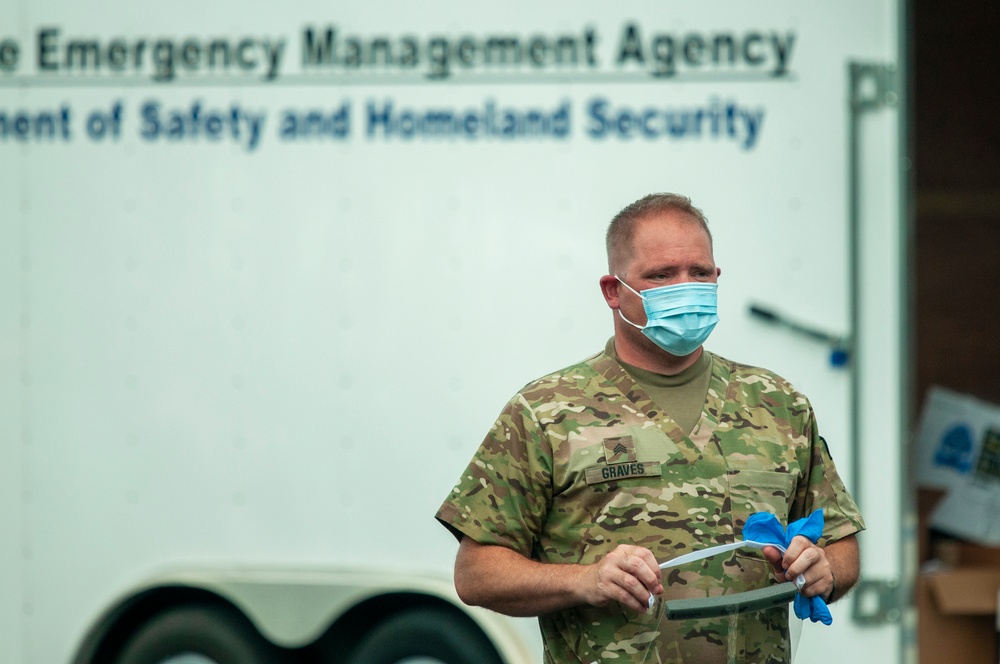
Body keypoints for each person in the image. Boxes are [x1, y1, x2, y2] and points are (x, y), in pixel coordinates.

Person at [435, 193, 864, 663]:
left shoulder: (779, 404)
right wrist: (584, 580)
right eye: (661, 276)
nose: (686, 286)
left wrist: (824, 570)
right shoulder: (548, 411)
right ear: (613, 291)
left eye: (699, 273)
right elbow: (476, 573)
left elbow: (841, 545)